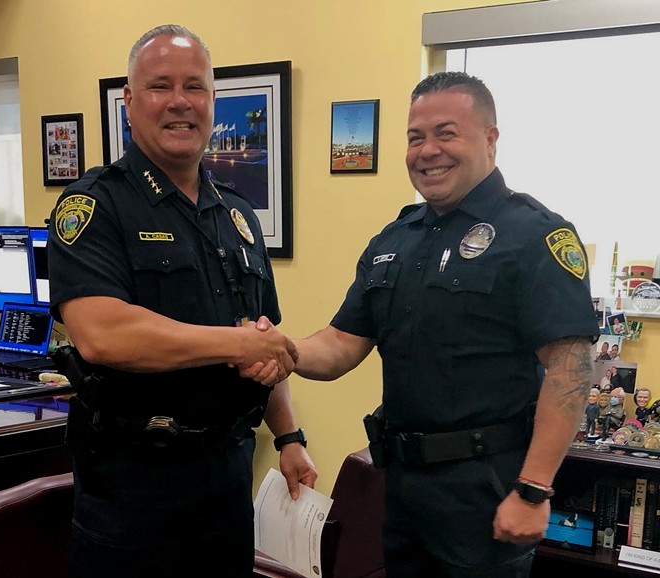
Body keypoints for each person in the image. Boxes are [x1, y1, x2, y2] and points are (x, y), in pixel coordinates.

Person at [246, 71, 599, 577]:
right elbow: (342, 342)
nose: (427, 150)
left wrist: (534, 489)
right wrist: (285, 350)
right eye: (416, 137)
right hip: (403, 486)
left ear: (490, 138)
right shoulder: (397, 238)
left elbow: (570, 368)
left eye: (446, 133)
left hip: (486, 488)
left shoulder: (534, 235)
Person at [47, 24, 317, 578]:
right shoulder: (95, 207)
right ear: (129, 101)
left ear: (213, 101)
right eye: (159, 86)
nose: (179, 102)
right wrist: (238, 342)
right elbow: (103, 333)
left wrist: (288, 436)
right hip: (133, 486)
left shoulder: (236, 214)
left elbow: (263, 332)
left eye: (195, 87)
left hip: (224, 475)